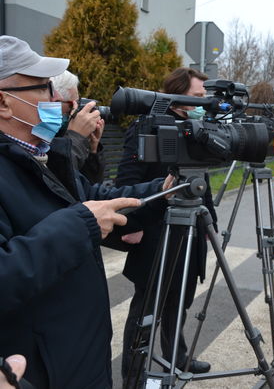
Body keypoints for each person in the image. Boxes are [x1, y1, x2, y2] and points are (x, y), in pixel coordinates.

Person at [0, 35, 168, 388]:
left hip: (80, 358)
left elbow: (99, 197)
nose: (57, 100)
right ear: (4, 102)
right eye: (45, 88)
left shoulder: (38, 156)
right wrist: (82, 224)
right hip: (43, 370)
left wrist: (166, 191)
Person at [117, 67, 215, 377]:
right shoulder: (146, 127)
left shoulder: (195, 128)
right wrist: (132, 226)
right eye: (197, 97)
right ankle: (133, 373)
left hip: (191, 235)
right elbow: (127, 181)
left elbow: (201, 183)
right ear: (176, 93)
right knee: (146, 311)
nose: (203, 103)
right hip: (158, 237)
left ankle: (177, 357)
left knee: (180, 304)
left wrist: (209, 223)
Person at [52, 70, 106, 183]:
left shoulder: (68, 139)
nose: (75, 111)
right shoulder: (38, 141)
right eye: (73, 104)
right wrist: (76, 137)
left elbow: (88, 189)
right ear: (54, 101)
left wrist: (92, 150)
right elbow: (61, 182)